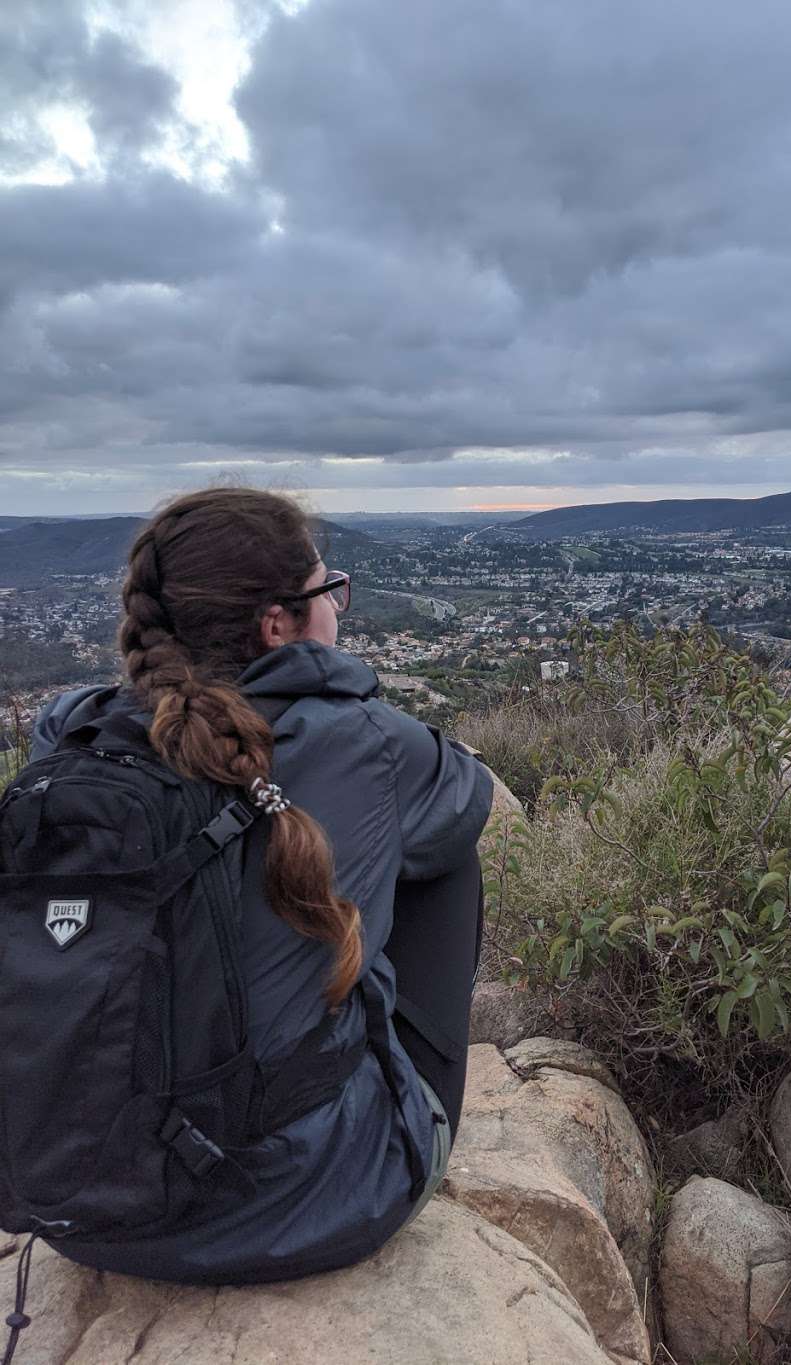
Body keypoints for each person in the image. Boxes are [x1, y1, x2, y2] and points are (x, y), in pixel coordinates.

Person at [26, 486, 493, 1284]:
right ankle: (399, 1115)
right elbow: (468, 796)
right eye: (327, 593)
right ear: (278, 623)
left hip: (81, 1206)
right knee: (445, 859)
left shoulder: (70, 736)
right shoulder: (362, 740)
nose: (338, 611)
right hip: (300, 1205)